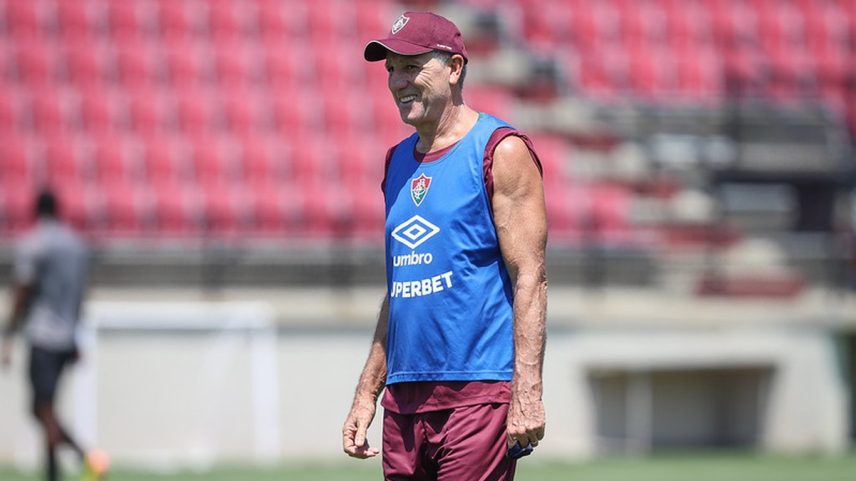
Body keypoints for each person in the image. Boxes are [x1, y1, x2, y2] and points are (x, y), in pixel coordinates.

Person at [342, 11, 548, 481]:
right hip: (404, 399)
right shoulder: (396, 162)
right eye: (391, 68)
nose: (398, 81)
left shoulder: (501, 150)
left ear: (454, 68)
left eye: (412, 65)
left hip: (477, 394)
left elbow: (531, 277)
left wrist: (528, 390)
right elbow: (401, 287)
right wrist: (366, 391)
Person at [1, 189, 108, 481]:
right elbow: (79, 295)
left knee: (41, 409)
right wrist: (76, 337)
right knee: (46, 408)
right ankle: (53, 474)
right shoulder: (76, 246)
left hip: (43, 335)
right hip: (66, 335)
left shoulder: (35, 245)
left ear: (35, 211)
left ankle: (89, 458)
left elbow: (23, 290)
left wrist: (9, 335)